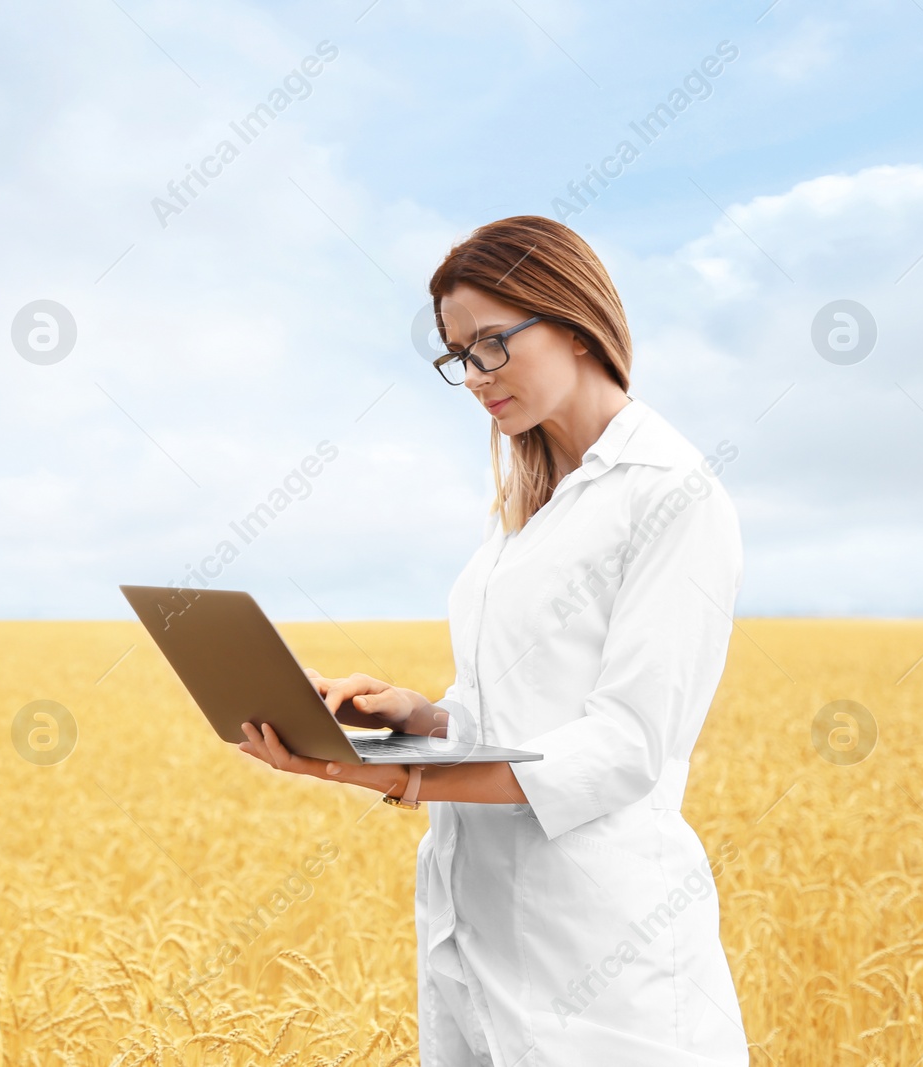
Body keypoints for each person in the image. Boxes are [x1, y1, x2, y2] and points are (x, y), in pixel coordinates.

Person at [237, 215, 750, 1065]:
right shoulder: (530, 510)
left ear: (573, 317)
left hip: (603, 962)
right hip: (475, 946)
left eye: (490, 344)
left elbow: (627, 743)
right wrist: (424, 719)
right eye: (456, 356)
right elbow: (521, 710)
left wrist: (396, 774)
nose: (473, 377)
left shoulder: (672, 495)